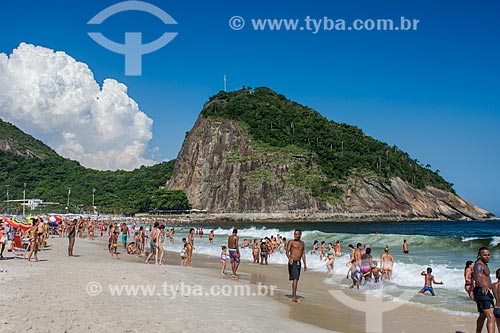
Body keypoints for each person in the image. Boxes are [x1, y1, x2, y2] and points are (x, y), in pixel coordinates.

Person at [474, 247, 495, 333]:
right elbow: (478, 276)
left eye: (488, 255)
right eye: (485, 255)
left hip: (482, 292)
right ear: (480, 255)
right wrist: (483, 285)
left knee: (482, 315)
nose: (487, 257)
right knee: (491, 316)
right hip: (483, 292)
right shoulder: (479, 265)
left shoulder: (483, 264)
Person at [286, 229, 307, 303]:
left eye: (297, 234)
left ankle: (294, 295)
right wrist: (289, 258)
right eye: (294, 234)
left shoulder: (302, 243)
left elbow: (303, 254)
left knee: (296, 279)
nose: (295, 235)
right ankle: (294, 297)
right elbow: (287, 252)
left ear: (300, 234)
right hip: (292, 262)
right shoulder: (291, 242)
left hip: (298, 262)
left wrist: (305, 264)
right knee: (295, 278)